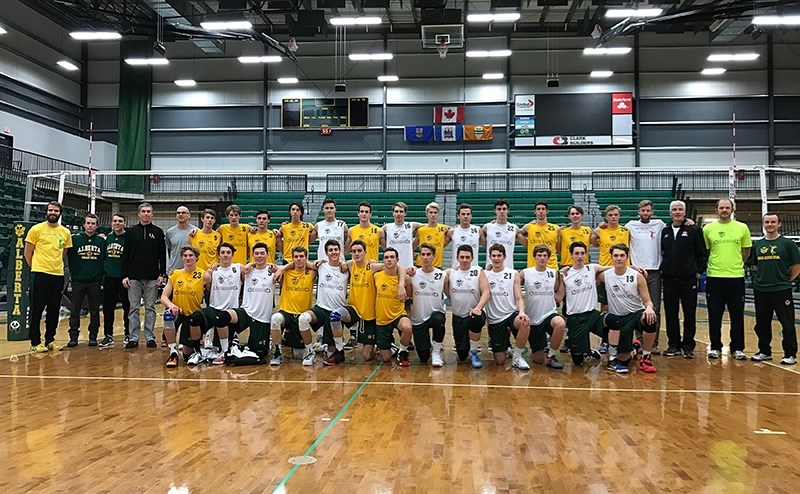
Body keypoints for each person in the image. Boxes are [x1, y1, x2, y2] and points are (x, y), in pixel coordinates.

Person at [332, 239, 402, 362]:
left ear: (365, 252)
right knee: (335, 316)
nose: (356, 253)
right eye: (354, 251)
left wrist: (401, 286)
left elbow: (399, 267)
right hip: (353, 309)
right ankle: (339, 350)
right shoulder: (350, 264)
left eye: (359, 251)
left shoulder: (372, 266)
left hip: (369, 314)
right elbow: (332, 262)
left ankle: (386, 346)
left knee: (367, 356)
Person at [702, 198, 752, 360]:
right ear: (716, 210)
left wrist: (735, 264)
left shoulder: (742, 227)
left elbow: (746, 252)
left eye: (727, 207)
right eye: (721, 207)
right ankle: (715, 347)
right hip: (714, 277)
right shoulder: (708, 229)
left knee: (737, 315)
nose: (724, 210)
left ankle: (737, 348)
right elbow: (706, 251)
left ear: (732, 210)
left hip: (736, 278)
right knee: (714, 314)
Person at [749, 213, 800, 365]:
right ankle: (764, 351)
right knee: (762, 324)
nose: (770, 224)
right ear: (763, 224)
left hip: (781, 290)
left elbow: (797, 266)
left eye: (773, 222)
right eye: (767, 222)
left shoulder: (787, 244)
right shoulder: (757, 245)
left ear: (779, 224)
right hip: (762, 290)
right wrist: (759, 280)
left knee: (787, 323)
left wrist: (785, 280)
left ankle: (790, 354)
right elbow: (754, 265)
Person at [599, 244, 658, 374]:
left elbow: (648, 301)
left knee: (651, 319)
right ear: (611, 258)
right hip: (618, 321)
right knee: (623, 359)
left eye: (622, 256)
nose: (618, 258)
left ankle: (646, 356)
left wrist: (649, 308)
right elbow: (588, 272)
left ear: (627, 257)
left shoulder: (637, 276)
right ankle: (635, 348)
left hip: (636, 314)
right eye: (616, 256)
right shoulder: (605, 275)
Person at [660, 200, 707, 359]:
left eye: (680, 209)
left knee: (689, 313)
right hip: (669, 280)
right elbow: (662, 251)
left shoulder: (693, 230)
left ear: (685, 212)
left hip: (688, 279)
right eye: (674, 209)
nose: (677, 212)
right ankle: (673, 344)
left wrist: (698, 272)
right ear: (670, 213)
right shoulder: (664, 230)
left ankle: (688, 345)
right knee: (671, 313)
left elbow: (701, 254)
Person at [24, 201, 73, 353]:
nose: (53, 213)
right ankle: (35, 341)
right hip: (40, 274)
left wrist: (54, 266)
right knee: (37, 309)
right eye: (50, 210)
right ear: (46, 212)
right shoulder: (36, 229)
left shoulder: (65, 232)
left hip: (57, 275)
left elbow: (63, 253)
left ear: (60, 213)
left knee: (53, 310)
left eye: (56, 211)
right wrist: (37, 268)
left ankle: (50, 340)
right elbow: (27, 253)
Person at [122, 202, 166, 349]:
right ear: (139, 214)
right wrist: (125, 275)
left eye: (148, 211)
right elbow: (125, 255)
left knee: (150, 308)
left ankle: (149, 337)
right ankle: (133, 337)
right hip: (134, 277)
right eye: (143, 211)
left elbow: (162, 255)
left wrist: (162, 274)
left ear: (152, 214)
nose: (146, 214)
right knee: (133, 308)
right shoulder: (130, 232)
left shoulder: (158, 232)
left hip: (152, 277)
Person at [222, 242, 277, 360]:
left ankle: (261, 344)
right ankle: (227, 345)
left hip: (262, 317)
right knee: (223, 316)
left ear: (267, 254)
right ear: (252, 255)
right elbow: (225, 266)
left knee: (260, 352)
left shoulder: (273, 271)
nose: (259, 256)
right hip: (246, 311)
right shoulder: (246, 270)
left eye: (262, 253)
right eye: (256, 253)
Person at [625, 200, 666, 354]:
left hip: (654, 270)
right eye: (643, 210)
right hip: (637, 271)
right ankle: (639, 340)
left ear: (652, 211)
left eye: (648, 210)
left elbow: (675, 225)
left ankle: (652, 343)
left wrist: (688, 221)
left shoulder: (659, 225)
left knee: (654, 307)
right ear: (638, 212)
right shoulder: (630, 226)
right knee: (638, 307)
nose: (645, 213)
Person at [561, 242, 612, 367]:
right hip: (575, 318)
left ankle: (621, 346)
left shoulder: (592, 268)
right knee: (577, 361)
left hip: (592, 315)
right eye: (576, 253)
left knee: (614, 322)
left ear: (586, 255)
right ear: (571, 255)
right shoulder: (564, 275)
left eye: (582, 253)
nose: (579, 256)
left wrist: (633, 267)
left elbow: (614, 267)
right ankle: (587, 351)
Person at [300, 240, 350, 365]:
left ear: (340, 251)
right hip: (321, 309)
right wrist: (281, 268)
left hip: (336, 313)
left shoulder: (347, 268)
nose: (334, 252)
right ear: (326, 253)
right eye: (331, 250)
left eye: (336, 249)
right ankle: (310, 351)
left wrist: (344, 263)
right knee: (303, 318)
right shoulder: (320, 266)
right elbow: (299, 261)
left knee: (331, 353)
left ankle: (331, 347)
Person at [160, 246, 208, 368]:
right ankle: (173, 352)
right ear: (182, 258)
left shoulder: (204, 275)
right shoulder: (175, 274)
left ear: (196, 258)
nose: (188, 258)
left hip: (192, 315)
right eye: (185, 256)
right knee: (167, 315)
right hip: (177, 312)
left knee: (187, 355)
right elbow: (164, 296)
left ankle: (194, 349)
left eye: (191, 255)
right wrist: (171, 306)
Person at [484, 244, 530, 369]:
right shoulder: (485, 275)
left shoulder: (512, 273)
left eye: (499, 255)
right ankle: (507, 348)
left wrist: (521, 312)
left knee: (524, 322)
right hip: (495, 319)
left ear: (504, 257)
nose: (496, 258)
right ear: (490, 257)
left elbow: (519, 297)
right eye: (493, 256)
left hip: (511, 314)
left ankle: (517, 356)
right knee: (500, 361)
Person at [443, 244, 490, 368]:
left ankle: (474, 352)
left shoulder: (478, 271)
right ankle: (466, 349)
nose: (464, 260)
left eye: (467, 257)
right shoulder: (450, 272)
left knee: (475, 319)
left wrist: (478, 307)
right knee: (462, 355)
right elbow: (441, 283)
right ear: (457, 258)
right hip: (458, 316)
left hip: (474, 313)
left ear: (472, 258)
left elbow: (486, 292)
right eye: (462, 257)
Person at [269, 246, 317, 365]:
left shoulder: (311, 273)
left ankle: (309, 350)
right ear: (292, 258)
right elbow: (282, 268)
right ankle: (277, 351)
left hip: (301, 314)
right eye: (296, 257)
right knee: (275, 319)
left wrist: (286, 266)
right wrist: (284, 267)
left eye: (301, 257)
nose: (299, 259)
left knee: (298, 355)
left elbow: (315, 266)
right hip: (286, 313)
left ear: (306, 258)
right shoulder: (285, 272)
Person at [520, 244, 565, 369]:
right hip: (533, 319)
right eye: (539, 255)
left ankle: (551, 355)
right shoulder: (525, 273)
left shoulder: (554, 273)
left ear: (548, 258)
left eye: (545, 255)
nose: (542, 258)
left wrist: (561, 278)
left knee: (560, 323)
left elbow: (558, 297)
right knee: (538, 360)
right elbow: (512, 284)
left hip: (549, 314)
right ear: (534, 257)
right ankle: (541, 349)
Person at [198, 242, 243, 365]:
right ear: (218, 255)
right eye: (222, 252)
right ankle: (196, 347)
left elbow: (256, 266)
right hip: (214, 309)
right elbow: (205, 286)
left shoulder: (239, 268)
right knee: (195, 318)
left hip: (230, 312)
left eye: (228, 252)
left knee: (219, 345)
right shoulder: (212, 271)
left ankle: (229, 345)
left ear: (233, 254)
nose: (225, 255)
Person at [66, 213, 105, 347]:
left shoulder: (101, 241)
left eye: (93, 223)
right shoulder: (74, 239)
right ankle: (73, 336)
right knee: (75, 310)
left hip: (95, 281)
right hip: (78, 280)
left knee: (94, 310)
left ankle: (93, 336)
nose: (90, 225)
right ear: (83, 225)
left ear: (97, 226)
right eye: (88, 223)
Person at [407, 243, 446, 366]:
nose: (425, 257)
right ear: (419, 256)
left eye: (428, 254)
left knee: (439, 318)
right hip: (419, 319)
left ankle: (436, 352)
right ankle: (427, 344)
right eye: (423, 254)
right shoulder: (413, 275)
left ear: (434, 256)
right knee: (423, 358)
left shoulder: (442, 275)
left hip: (435, 315)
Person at [374, 247, 414, 366]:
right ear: (383, 261)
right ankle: (391, 347)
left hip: (398, 314)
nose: (389, 260)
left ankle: (402, 351)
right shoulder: (376, 276)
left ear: (397, 259)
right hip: (381, 319)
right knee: (385, 358)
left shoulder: (404, 278)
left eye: (392, 257)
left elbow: (410, 295)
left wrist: (404, 290)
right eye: (386, 257)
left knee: (407, 327)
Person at [100, 213, 129, 347]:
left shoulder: (128, 238)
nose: (117, 223)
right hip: (109, 278)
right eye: (115, 221)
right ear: (112, 223)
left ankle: (128, 334)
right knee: (108, 308)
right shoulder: (107, 238)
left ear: (124, 223)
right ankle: (108, 335)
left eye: (120, 221)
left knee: (127, 307)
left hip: (124, 279)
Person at [483, 199, 522, 269]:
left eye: (504, 209)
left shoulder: (514, 228)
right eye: (499, 209)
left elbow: (526, 241)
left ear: (508, 210)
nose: (501, 211)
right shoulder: (487, 227)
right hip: (490, 268)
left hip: (508, 268)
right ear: (495, 211)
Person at [381, 201, 422, 267]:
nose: (398, 214)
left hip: (407, 265)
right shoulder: (387, 227)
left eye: (401, 211)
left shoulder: (411, 225)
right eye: (396, 211)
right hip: (392, 266)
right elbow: (378, 237)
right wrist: (386, 249)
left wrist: (414, 244)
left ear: (405, 213)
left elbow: (427, 227)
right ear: (393, 213)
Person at [522, 201, 559, 269]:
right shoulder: (528, 227)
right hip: (533, 268)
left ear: (547, 211)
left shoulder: (556, 228)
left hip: (551, 267)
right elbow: (516, 234)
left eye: (543, 209)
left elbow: (559, 248)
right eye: (538, 209)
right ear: (535, 211)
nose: (541, 211)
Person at [415, 202, 449, 268]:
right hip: (421, 265)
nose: (433, 215)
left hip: (436, 265)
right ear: (427, 214)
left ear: (438, 214)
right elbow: (412, 246)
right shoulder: (421, 230)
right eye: (431, 212)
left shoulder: (443, 228)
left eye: (435, 212)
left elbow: (445, 242)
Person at [165, 205, 196, 273]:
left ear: (189, 215)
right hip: (174, 271)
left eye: (183, 213)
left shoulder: (196, 231)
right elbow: (170, 250)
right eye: (178, 213)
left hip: (191, 271)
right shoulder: (170, 232)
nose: (180, 215)